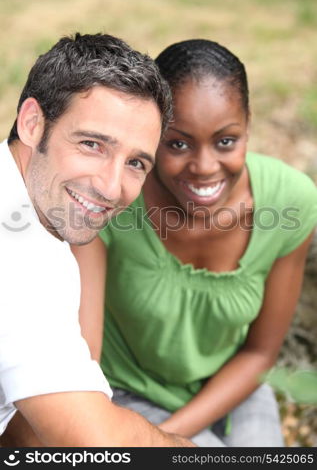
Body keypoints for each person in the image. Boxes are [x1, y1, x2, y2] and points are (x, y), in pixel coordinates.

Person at [98, 39, 317, 447]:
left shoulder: (291, 201)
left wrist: (167, 436)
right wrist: (152, 442)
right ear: (152, 130)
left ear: (248, 124)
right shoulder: (115, 198)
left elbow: (259, 353)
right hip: (127, 391)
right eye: (178, 143)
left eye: (226, 141)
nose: (203, 167)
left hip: (236, 385)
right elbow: (80, 358)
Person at [0, 32, 195, 447]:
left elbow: (37, 420)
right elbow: (95, 443)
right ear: (32, 123)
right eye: (92, 144)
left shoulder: (34, 214)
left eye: (136, 163)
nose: (111, 187)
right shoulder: (17, 256)